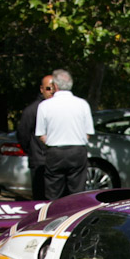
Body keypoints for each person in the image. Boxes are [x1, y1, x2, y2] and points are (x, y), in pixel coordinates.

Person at [35, 69, 95, 199]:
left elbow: (40, 134)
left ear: (55, 86)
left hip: (55, 151)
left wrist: (53, 141)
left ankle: (54, 217)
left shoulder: (45, 106)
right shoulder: (82, 104)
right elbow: (88, 133)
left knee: (53, 193)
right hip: (77, 150)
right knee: (77, 192)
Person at [17, 74, 56, 199]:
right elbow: (23, 133)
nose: (52, 92)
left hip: (57, 160)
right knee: (40, 198)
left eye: (54, 88)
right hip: (39, 160)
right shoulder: (33, 110)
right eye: (48, 89)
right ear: (42, 89)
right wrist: (33, 150)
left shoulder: (59, 107)